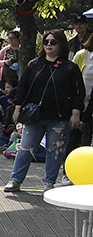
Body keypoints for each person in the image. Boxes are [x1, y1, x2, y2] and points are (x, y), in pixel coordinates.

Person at [6, 29, 85, 192]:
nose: (49, 45)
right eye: (46, 42)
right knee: (25, 148)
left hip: (60, 117)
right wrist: (17, 108)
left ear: (61, 44)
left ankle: (49, 183)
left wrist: (76, 113)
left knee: (55, 151)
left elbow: (79, 92)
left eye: (53, 42)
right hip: (34, 117)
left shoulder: (70, 68)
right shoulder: (35, 64)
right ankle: (15, 180)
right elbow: (23, 88)